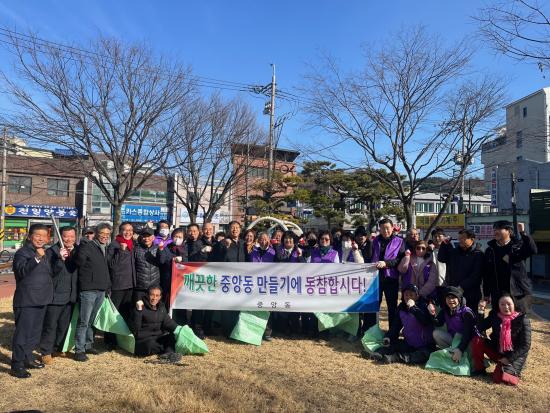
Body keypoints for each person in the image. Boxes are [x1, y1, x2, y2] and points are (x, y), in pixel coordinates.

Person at [11, 224, 54, 378]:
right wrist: (36, 258)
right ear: (30, 236)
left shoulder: (44, 252)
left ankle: (28, 358)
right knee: (23, 334)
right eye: (37, 235)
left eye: (44, 236)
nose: (41, 238)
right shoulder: (22, 253)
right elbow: (21, 271)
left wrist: (61, 261)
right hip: (27, 300)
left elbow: (49, 274)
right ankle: (17, 365)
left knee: (35, 333)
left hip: (42, 299)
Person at [472, 294, 531, 385]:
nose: (506, 307)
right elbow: (479, 328)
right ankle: (479, 369)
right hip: (497, 351)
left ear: (514, 304)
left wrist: (509, 359)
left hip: (512, 356)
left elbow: (525, 345)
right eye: (502, 304)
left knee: (498, 379)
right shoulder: (495, 316)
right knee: (477, 340)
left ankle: (512, 369)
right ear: (498, 306)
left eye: (509, 304)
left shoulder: (522, 319)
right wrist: (481, 311)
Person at [368, 284, 434, 365]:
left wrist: (413, 308)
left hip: (424, 346)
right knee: (394, 345)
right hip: (409, 343)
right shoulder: (402, 308)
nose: (408, 297)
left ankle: (394, 358)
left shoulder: (424, 306)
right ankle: (376, 354)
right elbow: (396, 326)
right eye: (406, 295)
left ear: (417, 296)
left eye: (411, 295)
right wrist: (388, 337)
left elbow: (425, 321)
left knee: (421, 355)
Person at [74, 222, 112, 362]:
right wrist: (82, 245)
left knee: (92, 320)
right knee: (84, 321)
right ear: (96, 233)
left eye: (107, 234)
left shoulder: (104, 247)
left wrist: (107, 286)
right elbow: (79, 262)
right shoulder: (87, 246)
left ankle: (88, 344)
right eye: (102, 233)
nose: (105, 236)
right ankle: (79, 350)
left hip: (101, 289)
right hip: (88, 289)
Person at [40, 226, 78, 364]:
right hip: (55, 295)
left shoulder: (78, 250)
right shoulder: (52, 251)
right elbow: (49, 272)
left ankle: (58, 348)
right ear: (60, 237)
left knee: (64, 325)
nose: (69, 239)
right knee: (50, 325)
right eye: (66, 236)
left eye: (72, 236)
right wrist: (59, 259)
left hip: (71, 295)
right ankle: (46, 351)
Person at [483, 221, 537, 314]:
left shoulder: (517, 246)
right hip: (498, 292)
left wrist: (523, 233)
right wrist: (486, 293)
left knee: (519, 319)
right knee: (498, 319)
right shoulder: (490, 250)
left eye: (499, 229)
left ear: (509, 231)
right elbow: (487, 273)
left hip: (518, 292)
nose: (495, 232)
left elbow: (532, 250)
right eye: (494, 230)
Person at [368, 218, 405, 329]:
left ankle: (392, 333)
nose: (385, 231)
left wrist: (386, 263)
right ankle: (372, 331)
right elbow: (369, 256)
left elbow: (400, 259)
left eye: (387, 228)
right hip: (375, 278)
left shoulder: (399, 241)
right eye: (383, 228)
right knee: (374, 305)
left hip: (391, 278)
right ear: (379, 229)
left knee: (392, 307)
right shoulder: (374, 240)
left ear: (392, 228)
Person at [129, 285, 181, 363]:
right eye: (152, 295)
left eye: (157, 295)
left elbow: (168, 323)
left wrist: (181, 330)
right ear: (147, 295)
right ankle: (166, 352)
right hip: (143, 340)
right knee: (150, 344)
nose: (154, 298)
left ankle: (168, 353)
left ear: (160, 297)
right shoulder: (139, 307)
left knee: (171, 337)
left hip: (157, 338)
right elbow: (134, 329)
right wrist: (138, 311)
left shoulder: (161, 307)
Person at [105, 222, 137, 349]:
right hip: (117, 285)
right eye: (125, 230)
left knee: (125, 313)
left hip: (130, 284)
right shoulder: (114, 245)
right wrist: (121, 252)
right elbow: (111, 265)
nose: (128, 232)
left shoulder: (133, 244)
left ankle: (122, 337)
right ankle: (109, 339)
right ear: (120, 231)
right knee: (114, 313)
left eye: (130, 230)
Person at [437, 229, 484, 309]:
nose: (460, 240)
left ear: (472, 239)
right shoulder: (454, 252)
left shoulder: (478, 254)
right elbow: (441, 258)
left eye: (463, 238)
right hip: (454, 293)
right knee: (455, 315)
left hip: (471, 293)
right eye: (459, 238)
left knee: (470, 315)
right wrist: (444, 244)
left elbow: (476, 275)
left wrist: (461, 287)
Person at [430, 286, 476, 364]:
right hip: (454, 340)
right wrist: (432, 314)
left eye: (453, 297)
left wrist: (460, 349)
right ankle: (451, 353)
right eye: (448, 297)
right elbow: (438, 323)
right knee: (436, 334)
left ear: (459, 299)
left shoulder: (466, 312)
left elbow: (467, 334)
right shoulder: (446, 310)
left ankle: (460, 353)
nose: (451, 300)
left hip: (467, 342)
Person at [186, 224, 211, 338]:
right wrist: (202, 252)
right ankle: (196, 327)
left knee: (203, 303)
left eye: (194, 231)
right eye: (190, 231)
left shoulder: (202, 242)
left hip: (205, 275)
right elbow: (190, 259)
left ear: (198, 231)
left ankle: (202, 326)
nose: (192, 233)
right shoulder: (186, 244)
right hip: (193, 276)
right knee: (196, 303)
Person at [133, 227, 170, 302]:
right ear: (141, 237)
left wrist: (161, 250)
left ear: (153, 237)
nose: (146, 239)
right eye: (144, 236)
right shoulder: (136, 249)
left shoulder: (158, 248)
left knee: (153, 308)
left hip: (154, 286)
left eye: (149, 236)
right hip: (140, 286)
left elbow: (162, 261)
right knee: (139, 307)